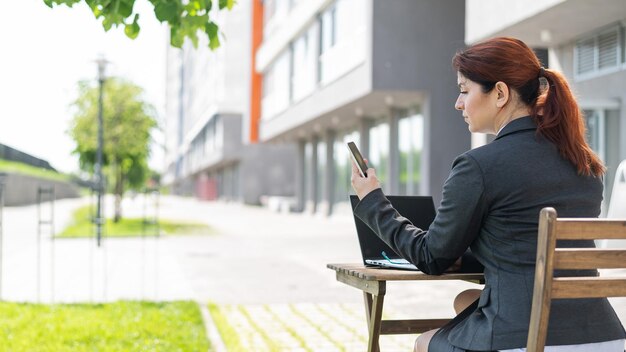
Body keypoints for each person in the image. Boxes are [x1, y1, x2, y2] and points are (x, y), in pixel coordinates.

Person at [350, 37, 626, 352]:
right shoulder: (583, 162)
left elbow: (430, 257)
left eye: (464, 90)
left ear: (499, 93)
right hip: (605, 336)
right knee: (464, 301)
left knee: (423, 342)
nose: (458, 103)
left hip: (528, 339)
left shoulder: (478, 167)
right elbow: (526, 245)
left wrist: (372, 199)